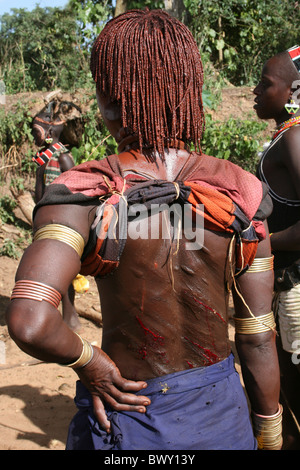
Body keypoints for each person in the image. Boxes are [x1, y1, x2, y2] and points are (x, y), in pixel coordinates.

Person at [6, 9, 282, 450]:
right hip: (223, 419)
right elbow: (258, 337)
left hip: (130, 415)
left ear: (108, 99)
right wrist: (268, 429)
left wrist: (90, 361)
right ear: (191, 92)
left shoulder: (84, 193)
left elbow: (32, 322)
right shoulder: (239, 195)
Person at [254, 46, 300, 448]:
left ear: (293, 91)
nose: (255, 90)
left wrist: (262, 241)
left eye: (265, 83)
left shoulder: (296, 138)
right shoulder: (286, 137)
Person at [31, 103, 81, 332]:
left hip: (60, 223)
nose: (33, 137)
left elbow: (77, 189)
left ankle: (70, 318)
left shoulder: (63, 157)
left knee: (61, 269)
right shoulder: (44, 157)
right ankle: (58, 316)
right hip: (45, 220)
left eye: (35, 132)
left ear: (49, 134)